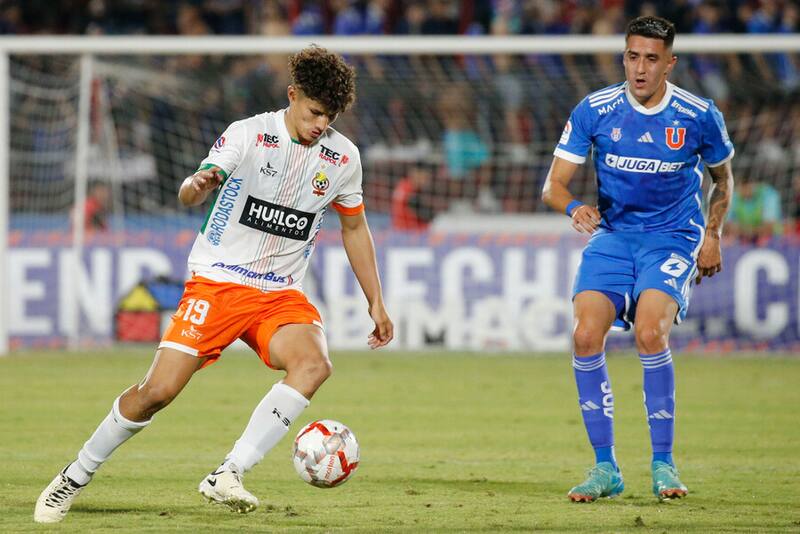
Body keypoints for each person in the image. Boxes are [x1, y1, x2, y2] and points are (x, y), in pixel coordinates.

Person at [34, 46, 394, 523]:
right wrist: (198, 185)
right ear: (292, 95)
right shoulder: (248, 135)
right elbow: (198, 182)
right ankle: (74, 476)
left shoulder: (343, 157)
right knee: (157, 392)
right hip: (218, 282)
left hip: (280, 292)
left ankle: (229, 472)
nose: (319, 125)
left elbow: (354, 228)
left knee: (314, 363)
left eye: (329, 117)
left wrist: (377, 301)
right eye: (313, 113)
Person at [542, 15, 734, 503]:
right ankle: (605, 467)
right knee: (586, 335)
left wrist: (713, 235)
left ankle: (663, 464)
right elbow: (553, 185)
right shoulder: (596, 109)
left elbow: (724, 181)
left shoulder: (698, 114)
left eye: (651, 58)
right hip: (613, 237)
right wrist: (574, 206)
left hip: (672, 237)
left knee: (651, 332)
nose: (640, 68)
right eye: (632, 57)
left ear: (669, 62)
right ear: (623, 57)